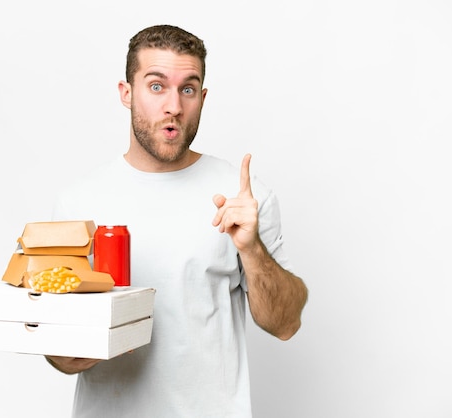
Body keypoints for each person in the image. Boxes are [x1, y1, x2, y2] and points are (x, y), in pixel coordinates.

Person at [46, 24, 308, 417]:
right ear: (126, 93)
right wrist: (70, 348)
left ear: (202, 98)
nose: (174, 106)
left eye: (187, 89)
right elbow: (57, 353)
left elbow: (286, 323)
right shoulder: (78, 203)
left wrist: (252, 250)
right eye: (156, 86)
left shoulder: (242, 196)